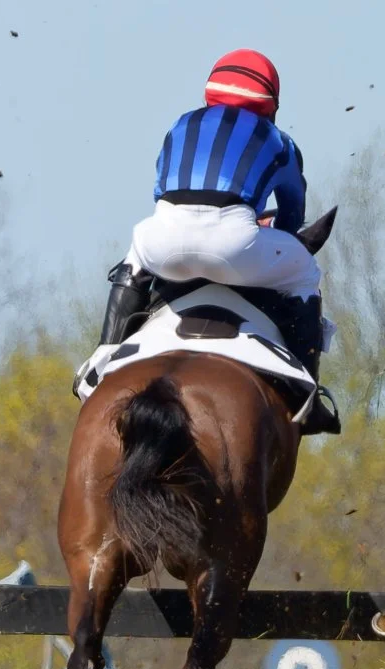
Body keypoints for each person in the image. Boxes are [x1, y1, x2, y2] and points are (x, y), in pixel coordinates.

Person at [88, 48, 339, 434]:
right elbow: (292, 212)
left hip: (163, 239)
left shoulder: (178, 126)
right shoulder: (280, 141)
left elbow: (162, 191)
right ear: (270, 105)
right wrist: (269, 233)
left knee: (135, 255)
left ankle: (102, 359)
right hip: (234, 245)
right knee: (305, 270)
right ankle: (307, 392)